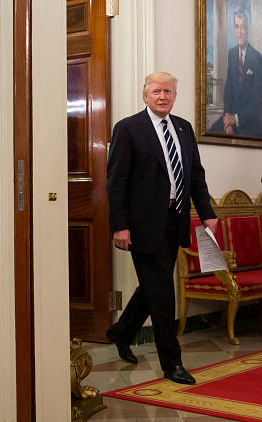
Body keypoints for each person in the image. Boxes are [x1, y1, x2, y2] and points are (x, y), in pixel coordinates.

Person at [106, 72, 218, 385]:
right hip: (141, 224)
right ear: (145, 95)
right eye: (156, 91)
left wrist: (207, 213)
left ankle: (121, 331)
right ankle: (172, 363)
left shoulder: (183, 128)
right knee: (163, 292)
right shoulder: (128, 129)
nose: (162, 97)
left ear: (174, 95)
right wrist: (120, 226)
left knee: (154, 287)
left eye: (168, 91)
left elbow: (195, 174)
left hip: (176, 219)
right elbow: (116, 182)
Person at [210, 7, 262, 137]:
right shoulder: (232, 54)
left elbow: (257, 101)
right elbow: (229, 89)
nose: (240, 32)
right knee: (210, 131)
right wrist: (228, 120)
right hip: (230, 115)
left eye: (243, 27)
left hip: (249, 120)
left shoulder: (257, 58)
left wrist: (236, 119)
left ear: (248, 29)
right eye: (237, 27)